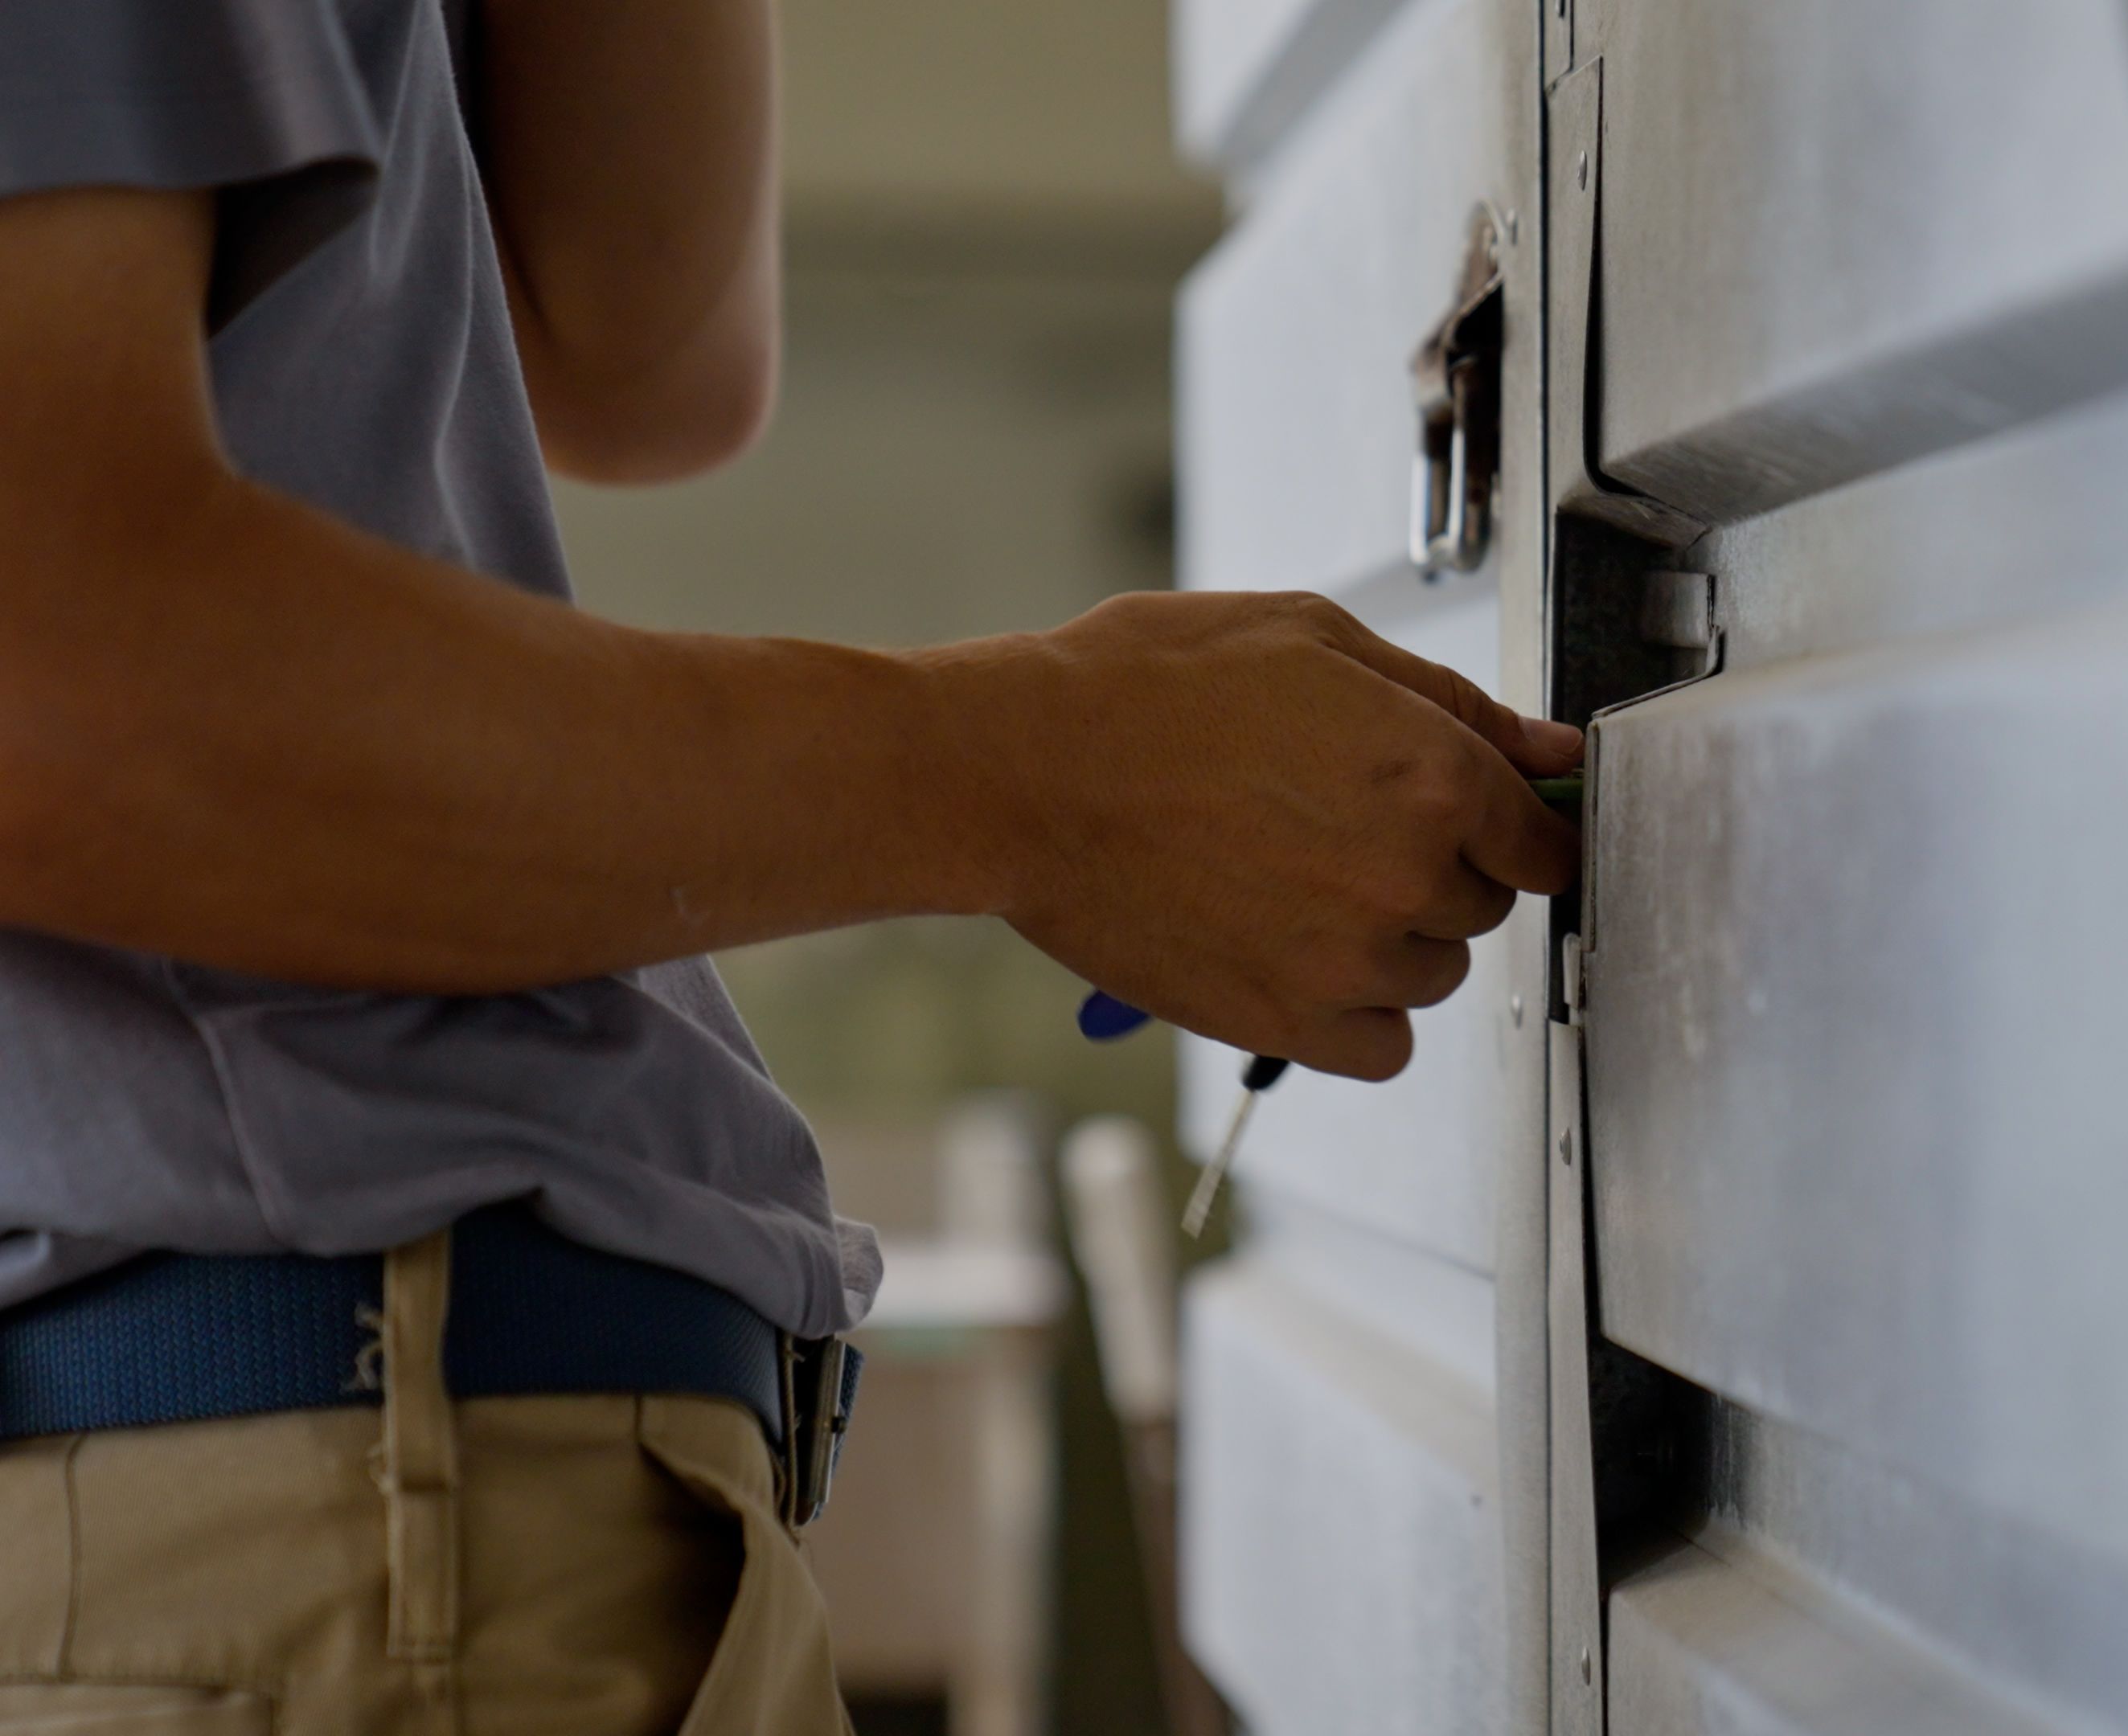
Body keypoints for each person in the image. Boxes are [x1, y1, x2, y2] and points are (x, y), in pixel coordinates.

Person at [0, 3, 1581, 1732]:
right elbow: (65, 679)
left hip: (412, 1514)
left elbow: (642, 346)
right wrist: (1034, 775)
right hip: (314, 1509)